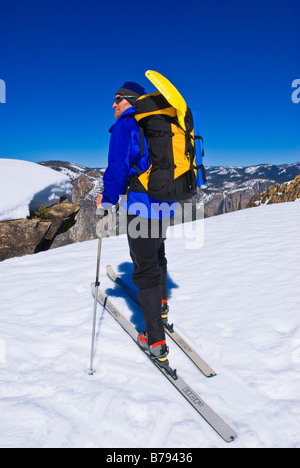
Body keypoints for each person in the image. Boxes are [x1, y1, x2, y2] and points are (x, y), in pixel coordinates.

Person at [96, 81, 176, 367]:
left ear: (130, 100)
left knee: (144, 271)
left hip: (141, 206)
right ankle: (162, 308)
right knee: (157, 253)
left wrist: (106, 199)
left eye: (118, 99)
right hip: (166, 203)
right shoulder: (161, 122)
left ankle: (154, 340)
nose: (114, 104)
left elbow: (117, 166)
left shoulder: (125, 126)